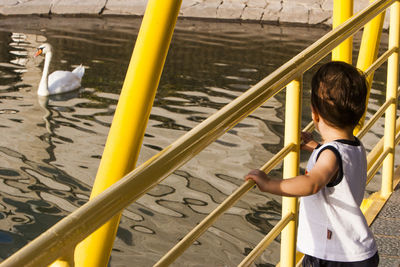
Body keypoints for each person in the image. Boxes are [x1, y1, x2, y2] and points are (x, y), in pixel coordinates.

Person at [245, 61, 379, 266]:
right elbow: (337, 170)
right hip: (356, 251)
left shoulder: (331, 155)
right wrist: (315, 146)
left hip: (335, 255)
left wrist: (269, 183)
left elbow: (312, 183)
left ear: (315, 113)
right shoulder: (354, 145)